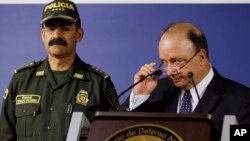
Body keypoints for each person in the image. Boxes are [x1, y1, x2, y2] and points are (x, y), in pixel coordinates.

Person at [0, 0, 120, 140]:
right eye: (50, 28)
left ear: (79, 34)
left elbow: (117, 134)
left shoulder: (99, 84)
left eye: (65, 28)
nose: (57, 36)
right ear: (43, 35)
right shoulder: (21, 80)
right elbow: (4, 136)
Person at [120, 21, 250, 133]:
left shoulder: (242, 101)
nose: (170, 71)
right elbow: (117, 132)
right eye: (165, 63)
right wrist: (139, 96)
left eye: (176, 61)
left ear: (201, 57)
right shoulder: (154, 92)